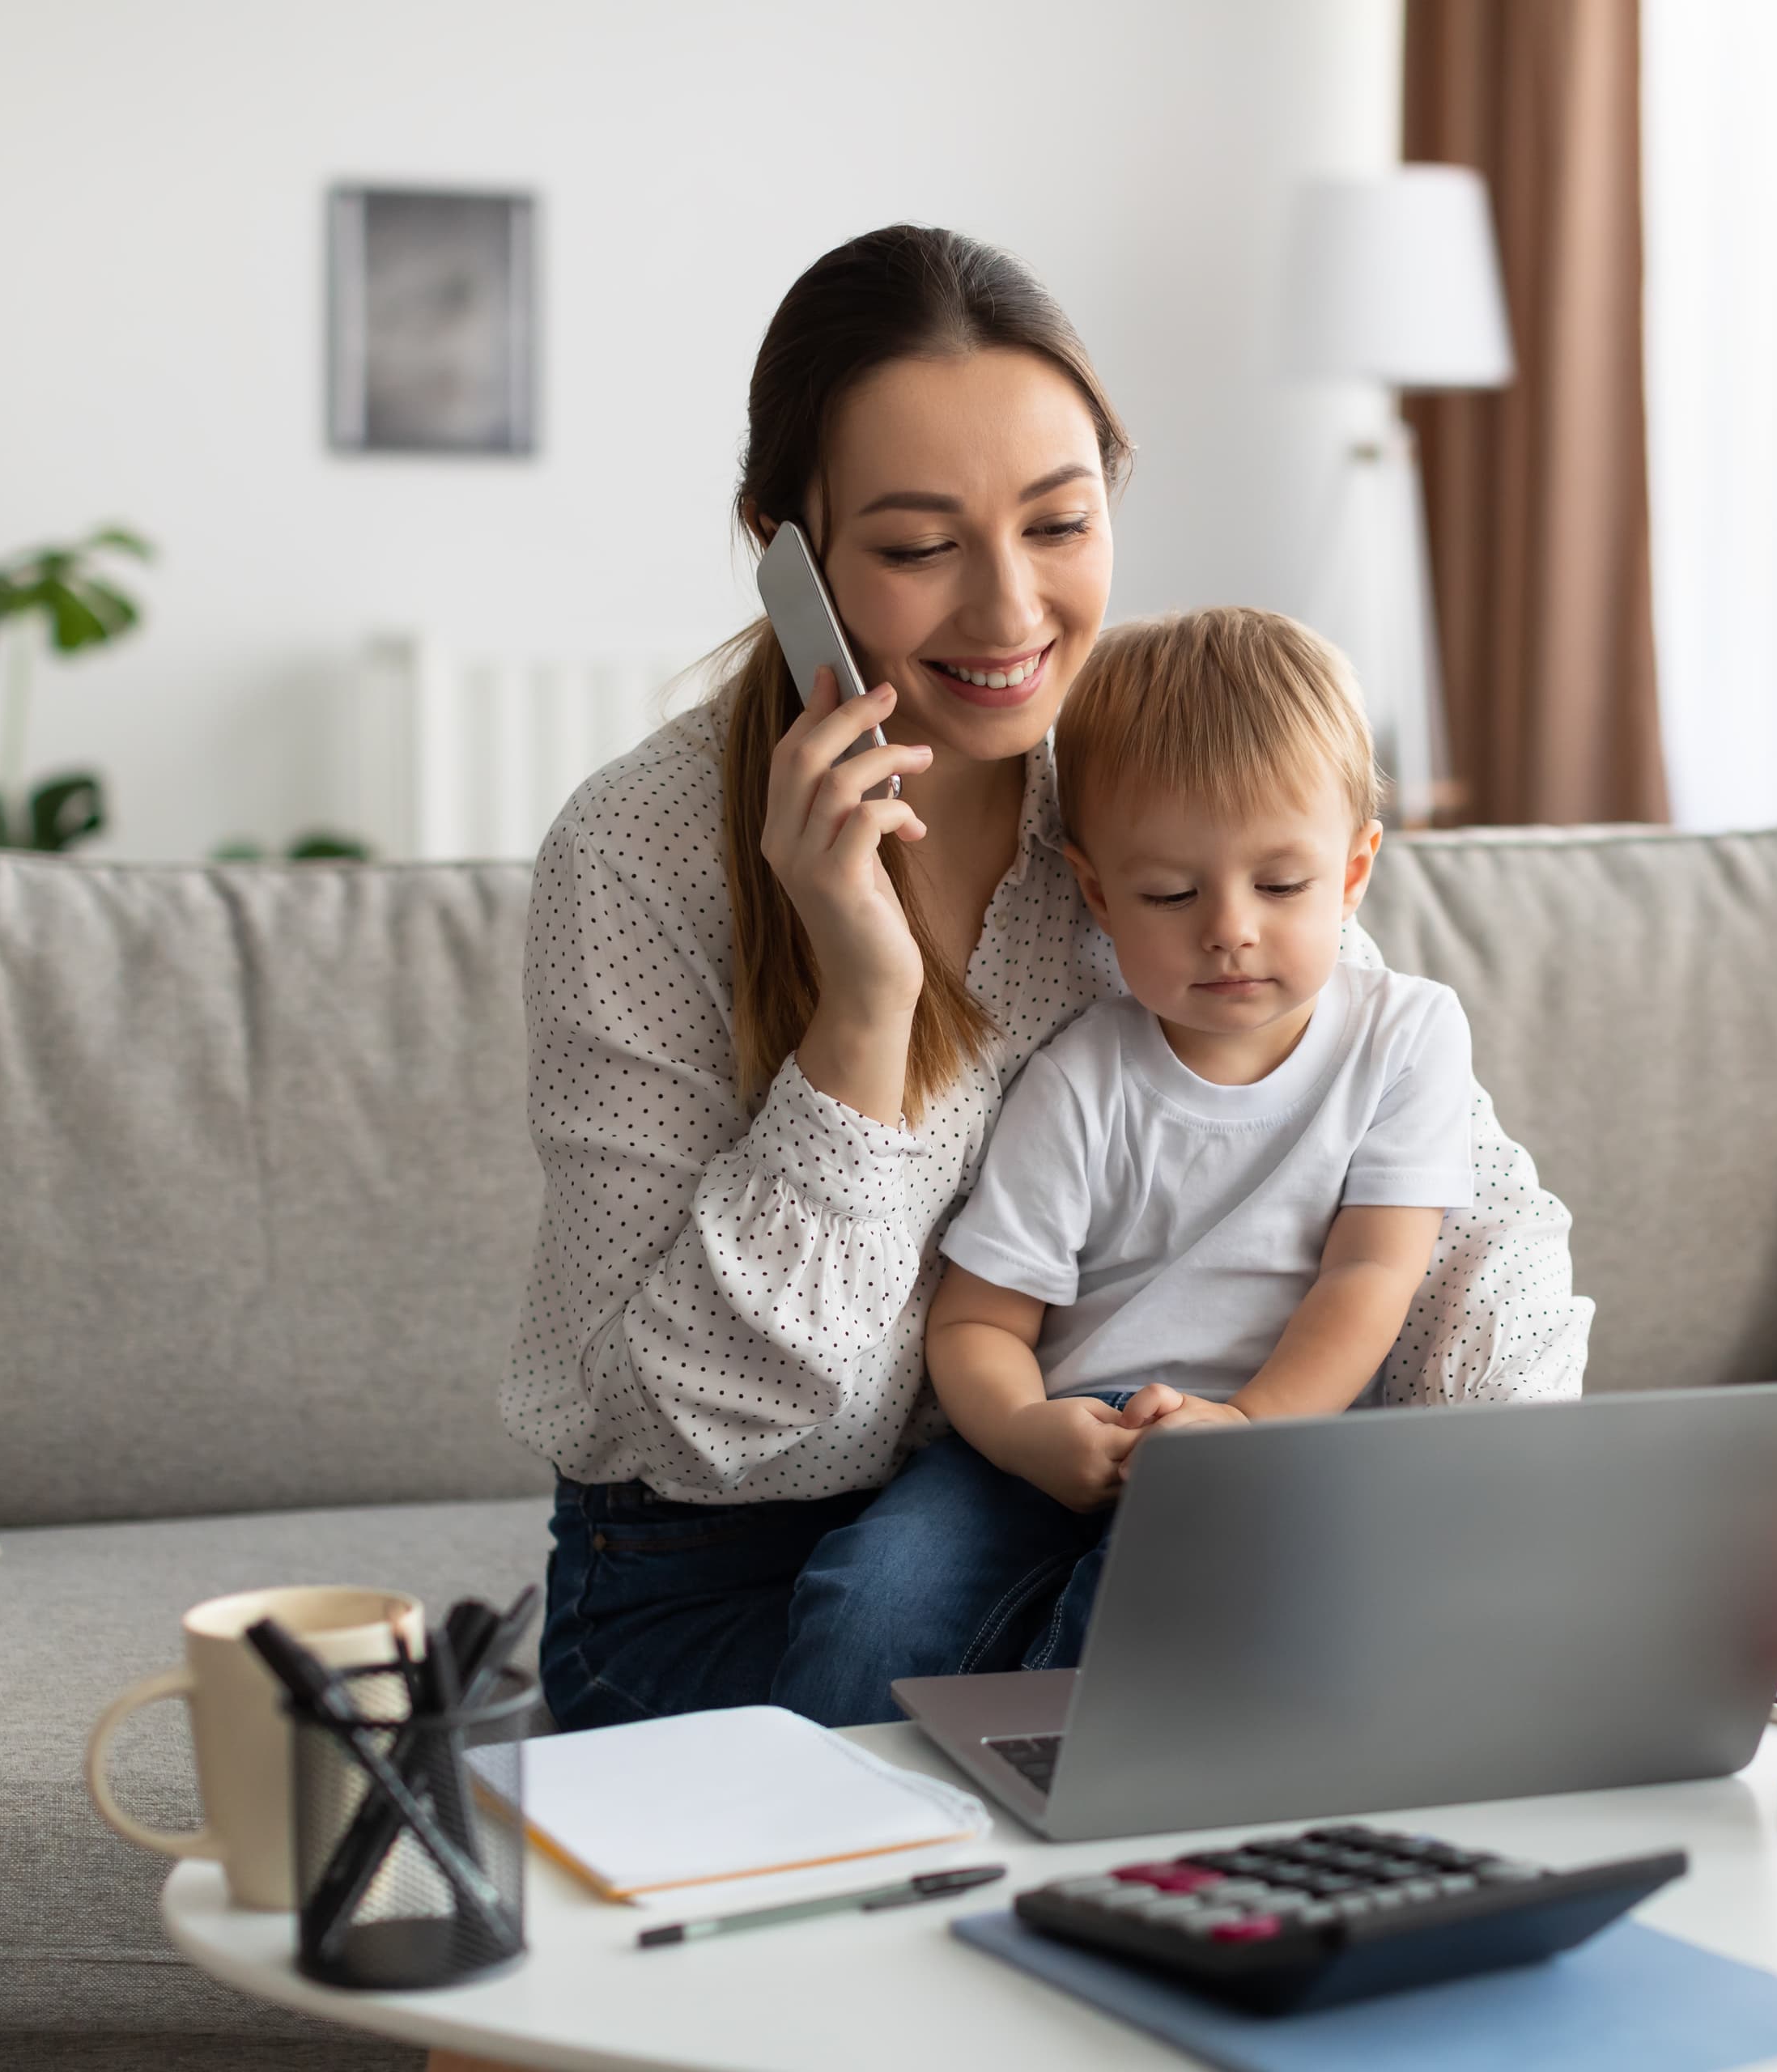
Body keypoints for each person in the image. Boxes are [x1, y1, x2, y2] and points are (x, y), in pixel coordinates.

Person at [504, 224, 1592, 1733]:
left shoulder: (1153, 782)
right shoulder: (639, 855)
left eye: (1060, 525)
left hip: (1089, 1516)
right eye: (918, 548)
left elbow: (1456, 1204)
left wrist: (1468, 1509)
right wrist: (864, 1010)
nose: (1012, 615)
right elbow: (711, 1431)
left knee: (1309, 1672)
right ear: (785, 549)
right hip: (712, 1575)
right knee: (1202, 1702)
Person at [776, 605, 1469, 1696]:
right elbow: (980, 1321)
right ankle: (842, 1801)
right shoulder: (1081, 1077)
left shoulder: (1406, 1036)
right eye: (1170, 894)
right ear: (1097, 893)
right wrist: (1026, 1432)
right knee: (867, 1604)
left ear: (1353, 871)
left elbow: (1374, 1273)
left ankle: (1049, 1777)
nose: (1229, 928)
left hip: (1278, 1445)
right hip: (1066, 1434)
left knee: (1168, 1607)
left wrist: (1245, 1425)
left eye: (1280, 885)